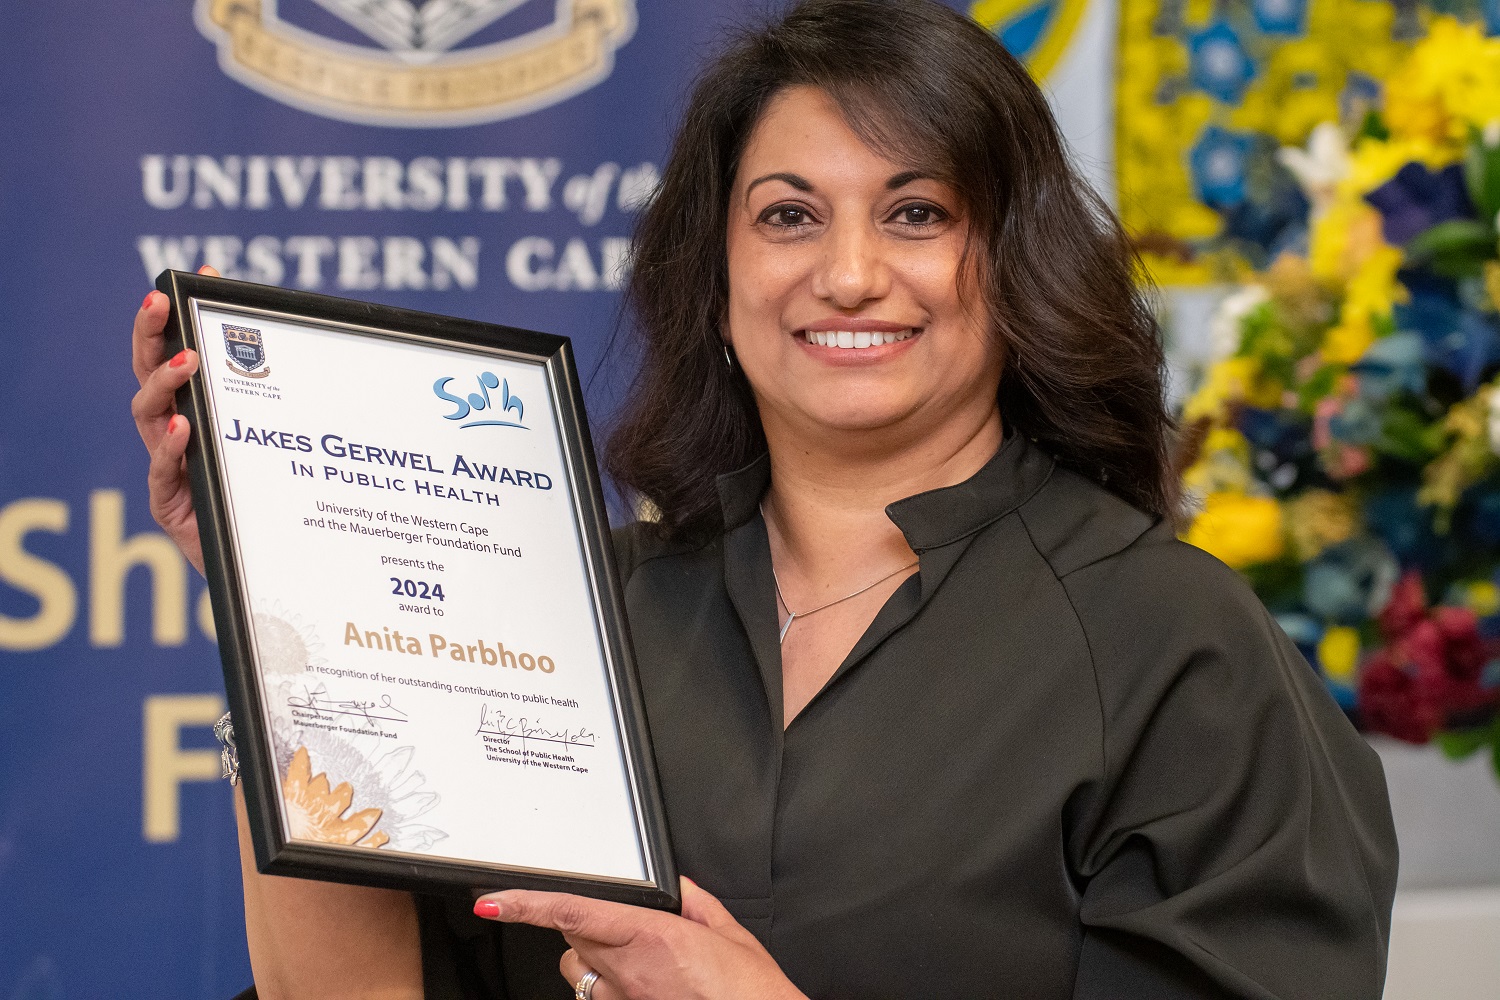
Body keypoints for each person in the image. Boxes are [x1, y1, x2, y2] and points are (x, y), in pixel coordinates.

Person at [130, 1, 1398, 997]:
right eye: (788, 215)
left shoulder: (1180, 648)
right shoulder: (578, 619)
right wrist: (272, 594)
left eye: (917, 212)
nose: (848, 274)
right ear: (718, 270)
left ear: (1012, 262)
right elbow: (353, 991)